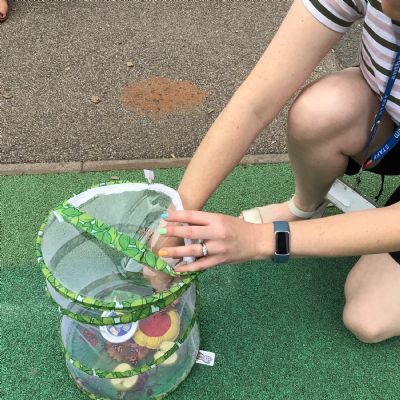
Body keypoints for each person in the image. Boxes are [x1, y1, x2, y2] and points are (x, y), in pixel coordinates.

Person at [155, 0, 400, 344]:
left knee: (368, 317)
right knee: (321, 112)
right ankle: (305, 207)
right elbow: (254, 103)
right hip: (390, 123)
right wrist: (176, 218)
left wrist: (261, 240)